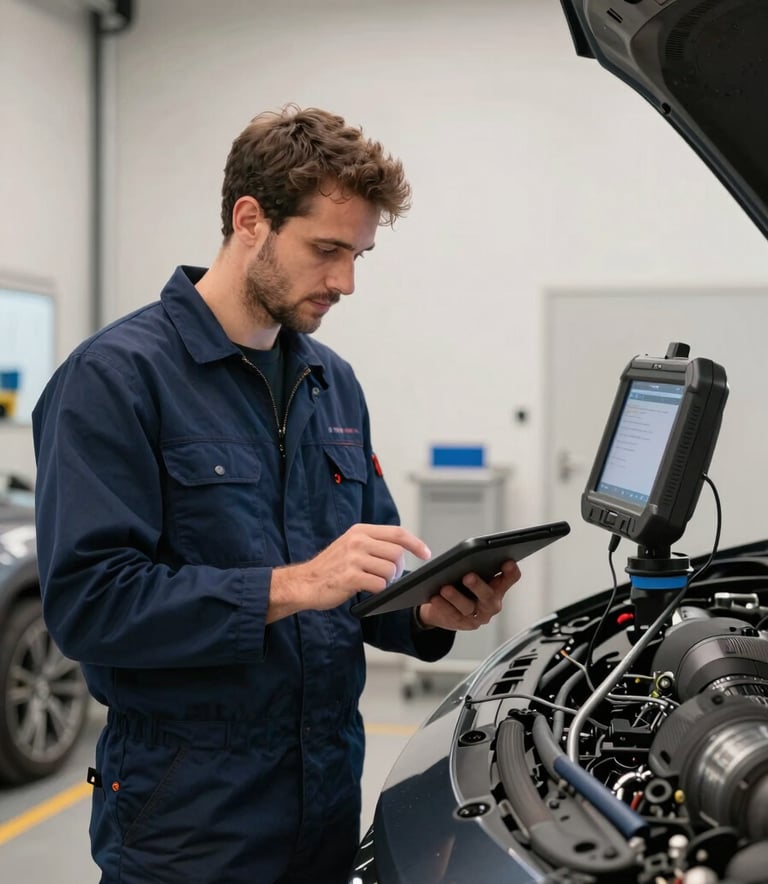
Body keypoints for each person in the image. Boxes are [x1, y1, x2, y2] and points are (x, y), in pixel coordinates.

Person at [32, 105, 521, 884]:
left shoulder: (333, 383)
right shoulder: (115, 381)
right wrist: (296, 585)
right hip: (188, 821)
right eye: (327, 249)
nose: (346, 282)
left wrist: (427, 610)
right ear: (249, 219)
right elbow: (91, 605)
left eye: (358, 254)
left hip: (325, 800)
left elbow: (362, 576)